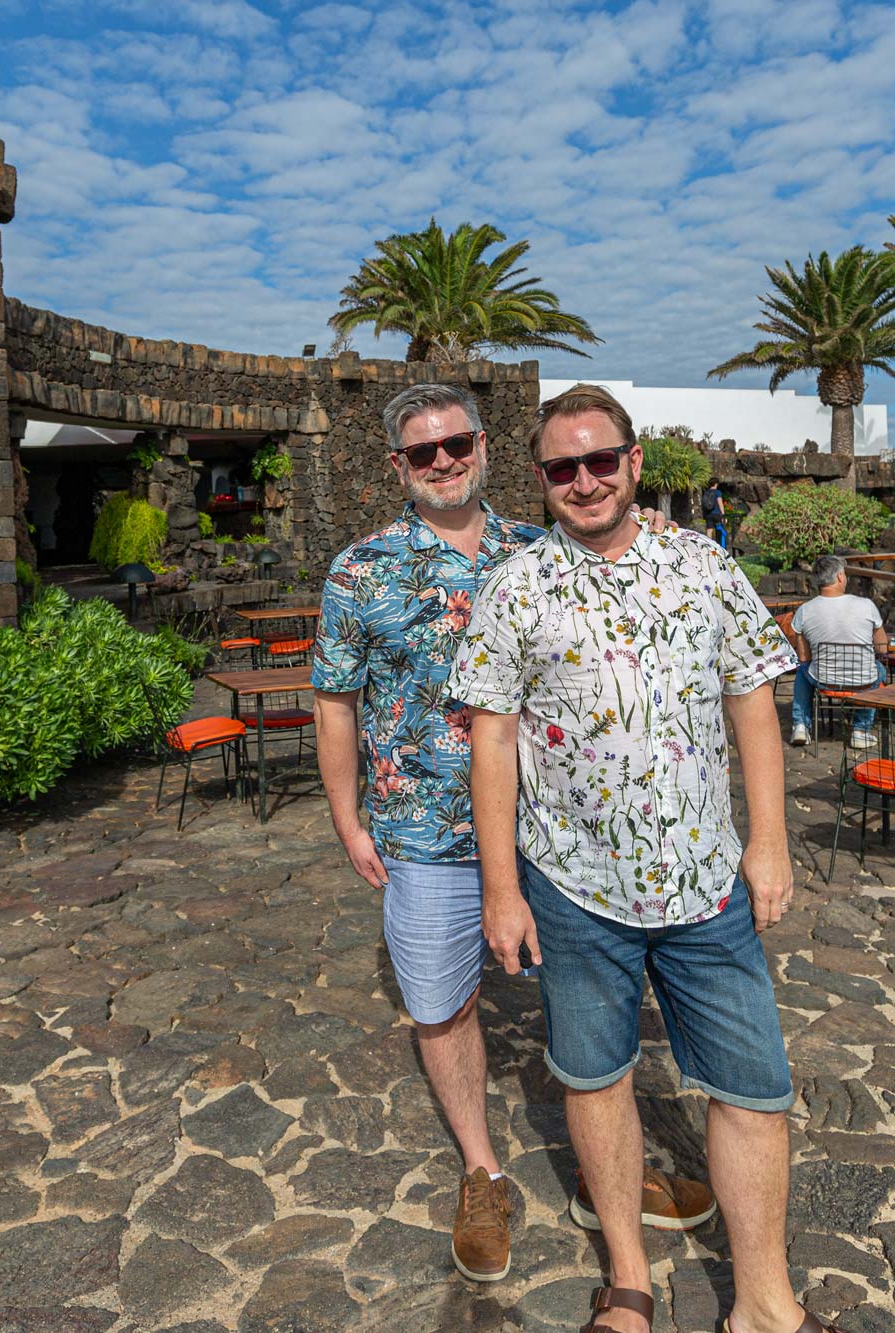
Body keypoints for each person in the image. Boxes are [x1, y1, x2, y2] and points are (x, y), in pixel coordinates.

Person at [453, 384, 852, 1333]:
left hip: (706, 880)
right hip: (573, 884)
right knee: (593, 1076)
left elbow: (754, 697)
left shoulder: (704, 566)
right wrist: (502, 888)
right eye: (563, 468)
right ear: (543, 480)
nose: (584, 480)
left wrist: (769, 840)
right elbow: (493, 739)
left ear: (634, 462)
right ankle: (627, 1279)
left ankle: (764, 1302)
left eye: (600, 460)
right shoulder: (516, 586)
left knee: (753, 1087)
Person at [312, 383, 704, 1286]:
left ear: (485, 446)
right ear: (398, 466)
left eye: (457, 443)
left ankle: (608, 1172)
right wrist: (345, 817)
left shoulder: (543, 550)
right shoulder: (359, 572)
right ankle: (483, 1170)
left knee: (587, 1006)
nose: (444, 460)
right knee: (444, 1006)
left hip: (555, 831)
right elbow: (334, 705)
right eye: (424, 452)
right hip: (425, 834)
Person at [787, 554, 887, 749]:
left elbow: (803, 657)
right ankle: (861, 729)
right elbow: (882, 647)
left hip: (824, 679)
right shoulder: (866, 605)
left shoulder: (805, 610)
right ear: (840, 577)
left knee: (802, 670)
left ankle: (800, 725)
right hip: (863, 681)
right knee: (879, 670)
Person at [703, 478, 729, 550]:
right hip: (717, 514)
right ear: (716, 484)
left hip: (709, 514)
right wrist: (723, 515)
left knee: (709, 530)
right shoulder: (717, 492)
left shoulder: (706, 492)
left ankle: (709, 546)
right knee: (719, 529)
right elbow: (720, 504)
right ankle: (721, 547)